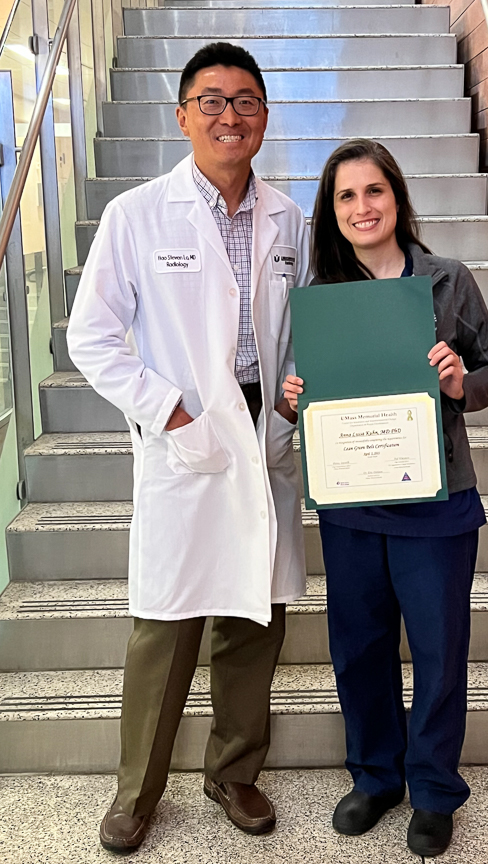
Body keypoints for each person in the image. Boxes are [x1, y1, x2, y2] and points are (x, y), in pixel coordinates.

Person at [68, 42, 309, 853]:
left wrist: (295, 395)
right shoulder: (137, 214)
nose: (229, 115)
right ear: (182, 115)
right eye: (211, 100)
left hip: (264, 435)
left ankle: (233, 772)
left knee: (255, 616)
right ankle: (136, 792)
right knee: (165, 623)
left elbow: (303, 326)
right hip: (187, 435)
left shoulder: (289, 218)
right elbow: (91, 337)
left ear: (265, 117)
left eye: (245, 100)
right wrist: (166, 412)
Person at [282, 139, 488, 858]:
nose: (362, 207)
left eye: (373, 191)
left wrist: (457, 384)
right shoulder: (321, 296)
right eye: (346, 197)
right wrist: (297, 403)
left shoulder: (447, 279)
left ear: (397, 197)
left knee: (440, 651)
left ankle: (435, 790)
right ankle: (376, 777)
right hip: (353, 500)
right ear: (333, 211)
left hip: (435, 500)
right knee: (359, 646)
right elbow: (316, 397)